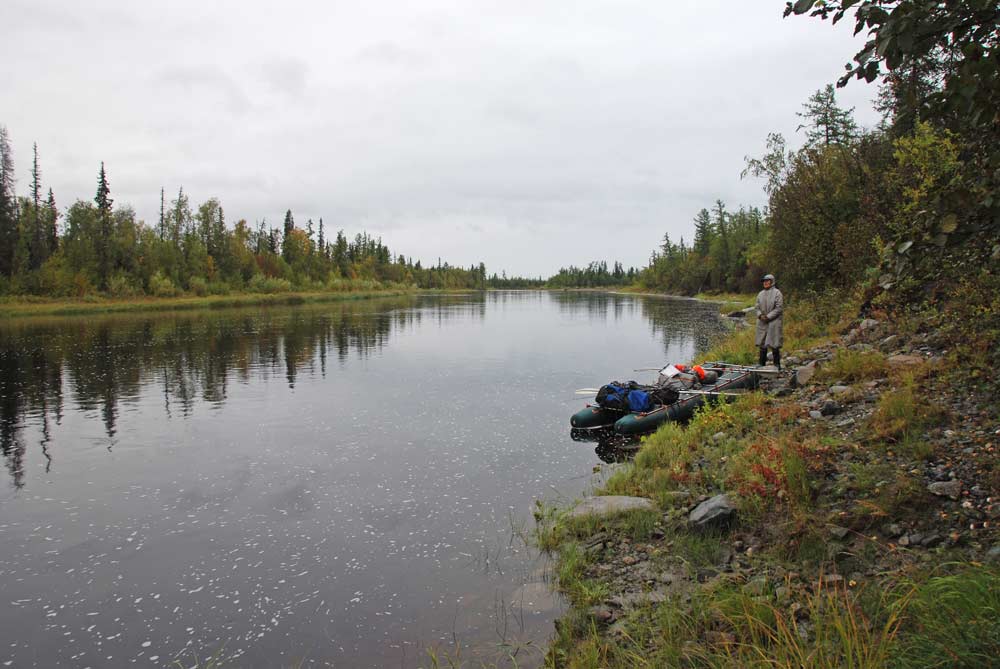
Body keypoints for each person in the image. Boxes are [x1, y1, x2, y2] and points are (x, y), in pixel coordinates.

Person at [755, 273, 783, 369]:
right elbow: (757, 307)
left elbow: (779, 308)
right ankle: (761, 364)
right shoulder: (760, 294)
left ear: (772, 282)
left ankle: (777, 365)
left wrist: (768, 317)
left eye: (767, 281)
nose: (765, 283)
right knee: (762, 343)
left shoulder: (777, 293)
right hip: (762, 321)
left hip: (773, 321)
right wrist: (760, 315)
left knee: (774, 342)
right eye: (764, 281)